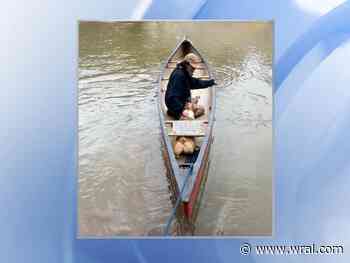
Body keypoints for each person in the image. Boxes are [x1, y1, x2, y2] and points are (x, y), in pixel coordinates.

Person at [165, 53, 215, 120]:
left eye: (194, 68)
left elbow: (195, 83)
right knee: (190, 117)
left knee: (201, 109)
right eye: (192, 68)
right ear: (186, 64)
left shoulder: (184, 73)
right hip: (175, 106)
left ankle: (186, 109)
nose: (194, 70)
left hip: (182, 102)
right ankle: (178, 115)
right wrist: (183, 111)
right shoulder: (179, 75)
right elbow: (171, 98)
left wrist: (211, 82)